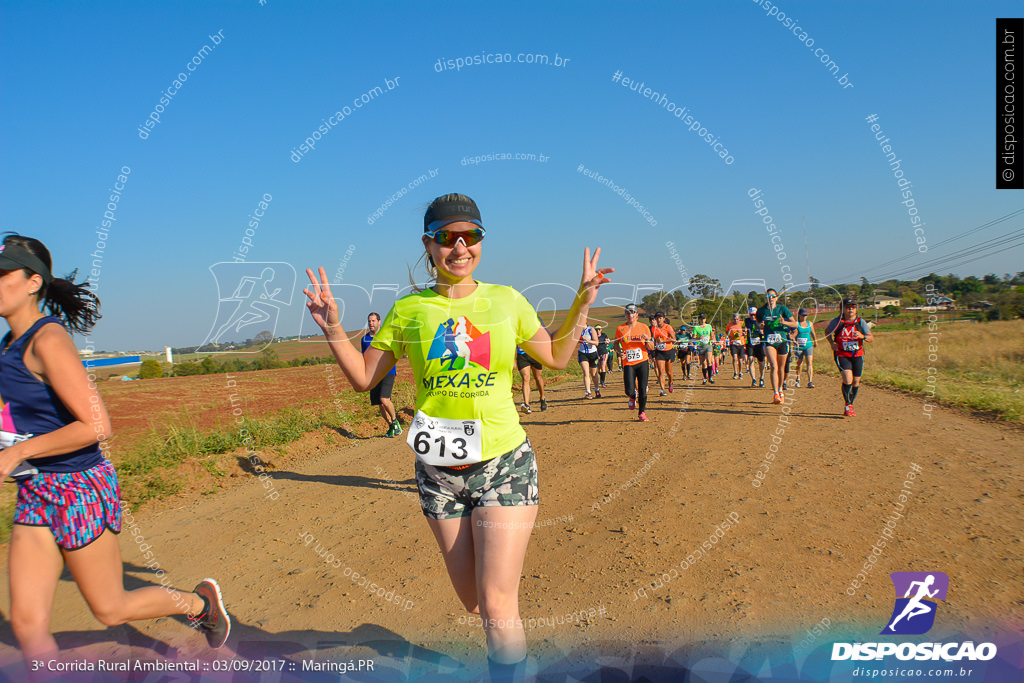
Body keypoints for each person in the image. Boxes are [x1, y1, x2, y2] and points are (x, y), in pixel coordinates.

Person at [303, 194, 612, 682]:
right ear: (429, 244)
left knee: (495, 602)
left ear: (482, 242)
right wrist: (335, 328)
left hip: (503, 466)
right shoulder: (409, 309)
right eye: (448, 237)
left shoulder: (507, 301)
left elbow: (555, 358)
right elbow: (365, 378)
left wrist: (582, 302)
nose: (460, 246)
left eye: (472, 236)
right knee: (475, 603)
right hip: (438, 475)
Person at [0, 234, 230, 664]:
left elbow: (97, 424)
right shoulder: (8, 347)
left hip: (76, 489)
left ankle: (200, 605)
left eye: (2, 274)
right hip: (35, 490)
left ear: (34, 282)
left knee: (110, 608)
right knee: (27, 625)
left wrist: (14, 454)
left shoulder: (47, 341)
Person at [825, 298, 874, 416]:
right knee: (847, 379)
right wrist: (832, 343)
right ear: (842, 309)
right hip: (841, 354)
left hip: (857, 355)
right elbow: (827, 332)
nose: (851, 309)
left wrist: (862, 336)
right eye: (848, 307)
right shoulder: (837, 322)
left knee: (856, 382)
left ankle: (851, 404)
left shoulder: (860, 322)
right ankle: (847, 404)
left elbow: (871, 338)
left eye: (853, 307)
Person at [362, 312, 401, 436]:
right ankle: (391, 426)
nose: (371, 323)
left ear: (379, 322)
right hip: (374, 374)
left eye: (373, 321)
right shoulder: (365, 339)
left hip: (388, 371)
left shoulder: (386, 335)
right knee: (379, 404)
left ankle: (395, 423)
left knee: (384, 399)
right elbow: (364, 357)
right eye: (369, 321)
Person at [756, 288, 798, 405]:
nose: (771, 299)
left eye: (773, 296)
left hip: (782, 340)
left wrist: (784, 322)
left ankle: (780, 391)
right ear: (766, 298)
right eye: (768, 297)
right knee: (773, 366)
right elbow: (758, 324)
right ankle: (775, 393)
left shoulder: (782, 309)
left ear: (776, 298)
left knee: (781, 368)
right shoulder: (761, 311)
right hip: (769, 341)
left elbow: (794, 323)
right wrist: (760, 325)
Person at [613, 304, 654, 421]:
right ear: (625, 315)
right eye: (628, 313)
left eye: (632, 313)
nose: (630, 315)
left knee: (642, 388)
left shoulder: (644, 327)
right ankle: (632, 396)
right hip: (628, 362)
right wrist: (619, 352)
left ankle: (642, 413)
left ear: (637, 315)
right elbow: (616, 343)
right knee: (629, 389)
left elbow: (651, 347)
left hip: (642, 361)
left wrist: (647, 340)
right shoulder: (620, 329)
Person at [790, 308, 816, 388]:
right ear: (799, 316)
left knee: (809, 362)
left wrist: (815, 341)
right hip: (798, 347)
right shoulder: (796, 324)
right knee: (799, 363)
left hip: (808, 345)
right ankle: (798, 379)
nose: (804, 317)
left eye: (805, 315)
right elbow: (791, 336)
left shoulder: (810, 323)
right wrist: (795, 342)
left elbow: (813, 333)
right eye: (803, 315)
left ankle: (810, 381)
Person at [515, 347, 547, 413]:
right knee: (525, 378)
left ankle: (542, 398)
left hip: (535, 354)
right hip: (522, 355)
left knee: (538, 377)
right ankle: (527, 405)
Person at [650, 312, 675, 395]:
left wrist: (664, 340)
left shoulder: (668, 327)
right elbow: (653, 339)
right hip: (659, 352)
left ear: (664, 319)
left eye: (660, 318)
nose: (658, 319)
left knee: (669, 372)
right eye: (657, 318)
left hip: (669, 351)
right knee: (661, 371)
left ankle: (670, 383)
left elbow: (674, 339)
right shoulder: (653, 328)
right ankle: (662, 389)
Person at [744, 306, 766, 387]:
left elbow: (765, 330)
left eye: (754, 315)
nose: (753, 316)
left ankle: (762, 377)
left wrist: (762, 331)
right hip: (750, 344)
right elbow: (743, 328)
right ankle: (753, 379)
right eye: (751, 315)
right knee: (750, 360)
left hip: (759, 344)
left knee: (761, 362)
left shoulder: (760, 321)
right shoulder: (746, 321)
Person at [577, 323, 600, 399]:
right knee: (586, 372)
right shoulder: (577, 330)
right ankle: (588, 392)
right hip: (583, 353)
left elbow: (596, 342)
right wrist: (578, 340)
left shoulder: (591, 329)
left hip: (592, 353)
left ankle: (597, 389)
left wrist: (587, 339)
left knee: (593, 374)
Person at [692, 313, 715, 384]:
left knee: (709, 361)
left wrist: (713, 339)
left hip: (708, 345)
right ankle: (705, 377)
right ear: (699, 319)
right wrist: (699, 338)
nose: (702, 320)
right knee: (704, 363)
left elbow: (712, 335)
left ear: (706, 319)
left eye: (704, 319)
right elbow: (693, 338)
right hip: (700, 346)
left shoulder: (709, 326)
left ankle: (710, 377)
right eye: (701, 319)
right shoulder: (696, 328)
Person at [724, 313, 746, 379]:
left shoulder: (742, 323)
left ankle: (740, 372)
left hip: (741, 343)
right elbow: (726, 331)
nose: (736, 320)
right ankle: (735, 372)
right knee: (734, 358)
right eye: (734, 319)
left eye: (737, 319)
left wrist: (742, 334)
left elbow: (746, 332)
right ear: (732, 319)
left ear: (739, 318)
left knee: (740, 359)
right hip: (733, 343)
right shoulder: (729, 324)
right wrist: (729, 336)